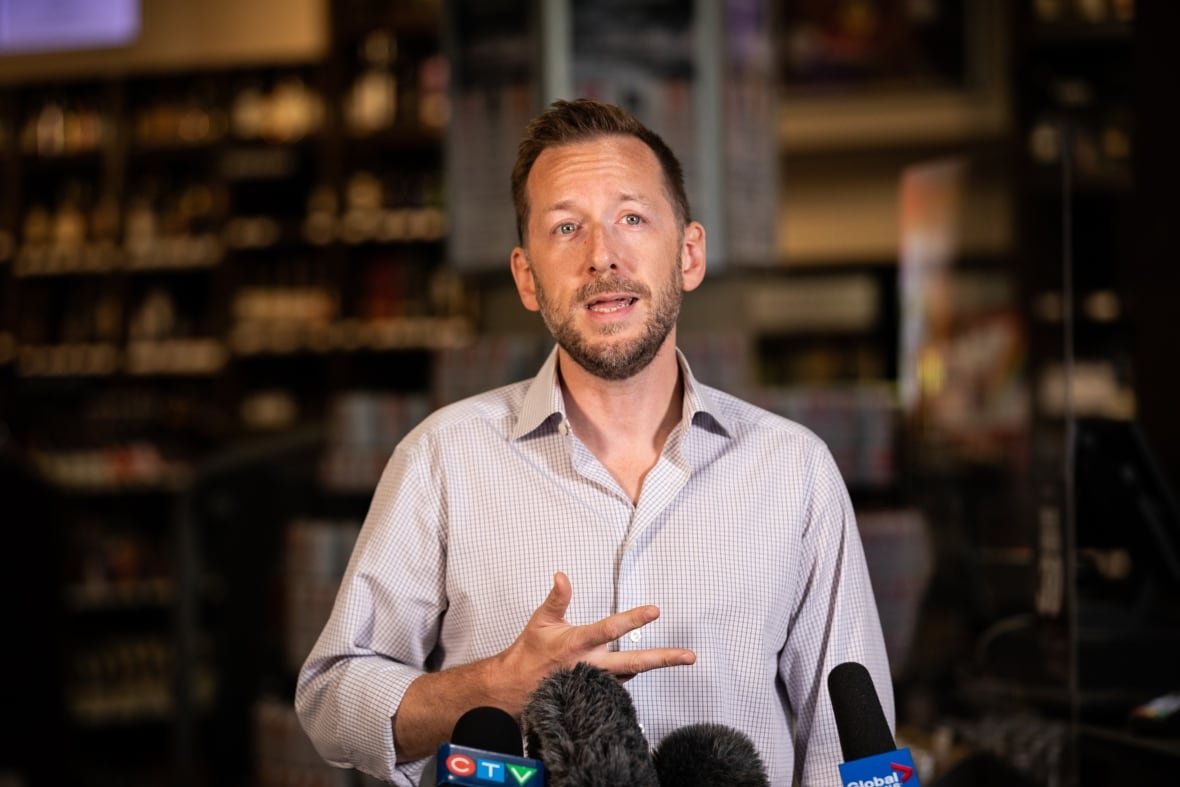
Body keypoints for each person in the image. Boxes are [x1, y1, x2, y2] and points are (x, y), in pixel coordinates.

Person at [296, 98, 892, 786]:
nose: (602, 256)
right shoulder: (441, 460)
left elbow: (844, 750)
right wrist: (494, 682)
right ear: (527, 276)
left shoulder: (794, 472)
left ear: (689, 253)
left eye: (632, 218)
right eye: (566, 227)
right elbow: (331, 700)